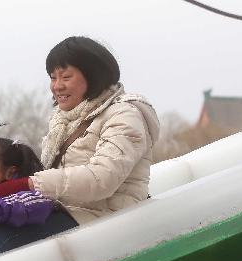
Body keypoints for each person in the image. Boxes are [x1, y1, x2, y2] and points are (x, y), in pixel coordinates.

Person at [28, 36, 160, 224]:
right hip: (69, 214)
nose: (57, 86)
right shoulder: (62, 121)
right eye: (53, 77)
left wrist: (33, 184)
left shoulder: (124, 115)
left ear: (93, 76)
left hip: (106, 222)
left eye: (66, 77)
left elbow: (102, 179)